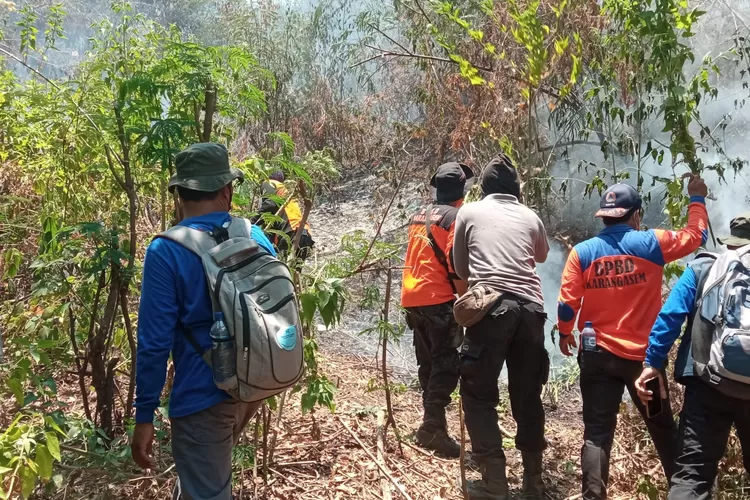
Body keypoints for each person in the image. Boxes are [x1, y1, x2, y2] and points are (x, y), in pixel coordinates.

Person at [131, 143, 277, 500]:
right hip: (252, 385)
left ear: (178, 194)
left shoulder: (166, 250)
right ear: (227, 190)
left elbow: (153, 343)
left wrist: (144, 415)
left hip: (202, 396)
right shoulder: (253, 234)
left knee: (206, 489)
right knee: (203, 482)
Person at [557, 176, 709, 500]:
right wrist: (696, 198)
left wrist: (565, 333)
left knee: (597, 433)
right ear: (635, 215)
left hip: (596, 356)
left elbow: (567, 304)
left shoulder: (582, 253)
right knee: (663, 429)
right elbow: (695, 237)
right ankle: (685, 493)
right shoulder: (650, 244)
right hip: (644, 365)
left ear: (605, 216)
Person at [452, 154, 550, 500]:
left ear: (484, 187)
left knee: (478, 395)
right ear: (517, 189)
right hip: (531, 311)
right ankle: (533, 485)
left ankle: (495, 485)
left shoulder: (470, 211)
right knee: (527, 397)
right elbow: (541, 256)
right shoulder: (531, 216)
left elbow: (460, 269)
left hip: (491, 308)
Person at [635, 213, 750, 500]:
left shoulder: (703, 267)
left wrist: (652, 363)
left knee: (692, 475)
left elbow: (670, 316)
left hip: (708, 383)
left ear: (731, 242)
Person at [402, 162, 472, 458]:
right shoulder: (455, 218)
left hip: (412, 297)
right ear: (463, 191)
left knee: (428, 362)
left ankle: (434, 424)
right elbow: (455, 265)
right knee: (447, 364)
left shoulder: (421, 214)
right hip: (438, 298)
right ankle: (432, 426)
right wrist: (466, 300)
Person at [258, 170, 314, 261]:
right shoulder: (285, 192)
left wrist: (251, 223)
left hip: (290, 233)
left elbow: (270, 204)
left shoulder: (269, 183)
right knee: (293, 272)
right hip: (304, 233)